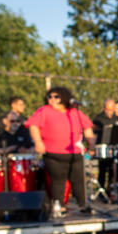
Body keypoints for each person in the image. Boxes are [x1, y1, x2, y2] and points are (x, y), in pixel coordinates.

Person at [26, 87, 95, 216]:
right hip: (53, 153)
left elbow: (87, 127)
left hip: (74, 152)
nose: (52, 99)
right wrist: (38, 142)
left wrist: (91, 144)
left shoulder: (74, 111)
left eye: (56, 97)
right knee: (58, 180)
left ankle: (82, 204)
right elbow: (33, 125)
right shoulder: (44, 111)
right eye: (50, 97)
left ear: (64, 97)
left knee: (78, 180)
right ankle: (59, 206)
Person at [92, 98, 118, 194]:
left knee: (113, 170)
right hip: (103, 148)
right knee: (102, 170)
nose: (109, 111)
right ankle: (101, 191)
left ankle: (111, 190)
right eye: (107, 109)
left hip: (115, 148)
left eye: (111, 109)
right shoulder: (98, 119)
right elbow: (93, 134)